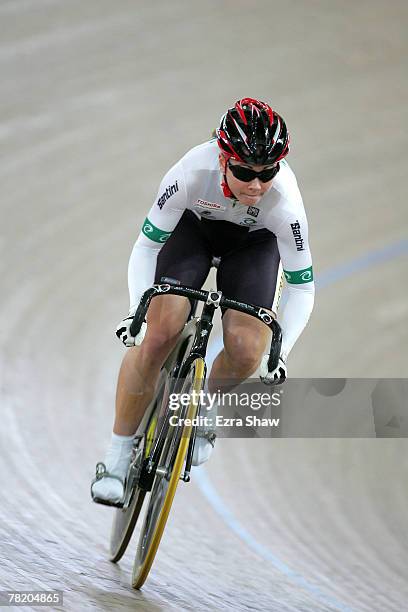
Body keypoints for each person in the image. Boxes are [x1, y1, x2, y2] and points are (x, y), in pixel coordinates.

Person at [91, 97, 315, 505]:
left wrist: (282, 354)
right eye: (246, 172)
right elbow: (145, 247)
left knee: (248, 349)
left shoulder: (286, 203)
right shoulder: (192, 172)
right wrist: (135, 312)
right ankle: (117, 456)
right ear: (223, 156)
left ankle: (205, 410)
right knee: (160, 333)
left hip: (254, 247)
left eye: (268, 174)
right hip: (192, 232)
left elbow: (302, 286)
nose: (257, 186)